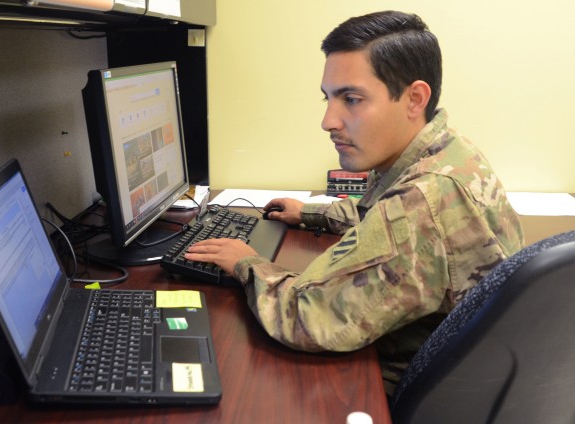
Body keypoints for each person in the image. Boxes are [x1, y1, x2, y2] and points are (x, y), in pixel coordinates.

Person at [185, 10, 524, 394]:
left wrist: (246, 263)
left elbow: (309, 319)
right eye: (328, 98)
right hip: (474, 372)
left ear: (414, 98)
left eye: (351, 99)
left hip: (414, 389)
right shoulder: (445, 152)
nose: (329, 120)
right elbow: (384, 215)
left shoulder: (420, 203)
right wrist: (311, 213)